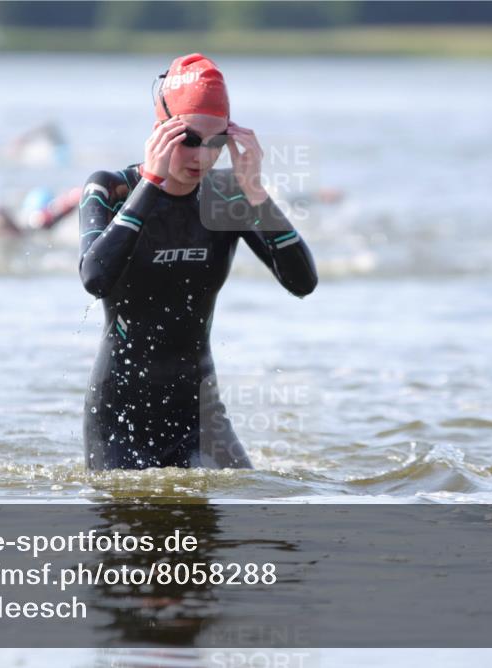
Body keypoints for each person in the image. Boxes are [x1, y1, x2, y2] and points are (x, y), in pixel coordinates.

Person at [78, 53, 317, 471]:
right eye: (188, 138)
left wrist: (256, 196)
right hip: (119, 416)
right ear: (160, 129)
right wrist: (151, 183)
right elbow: (95, 277)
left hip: (200, 417)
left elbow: (302, 283)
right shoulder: (113, 189)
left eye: (217, 142)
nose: (202, 156)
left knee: (259, 513)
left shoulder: (228, 197)